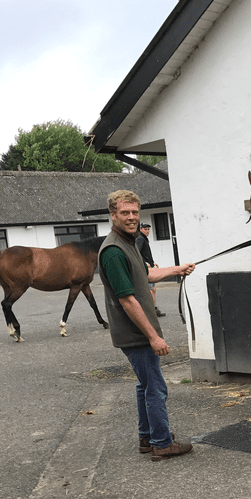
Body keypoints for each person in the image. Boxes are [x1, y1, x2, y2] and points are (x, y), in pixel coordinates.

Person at [98, 189, 196, 461]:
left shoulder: (131, 242)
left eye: (134, 212)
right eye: (124, 212)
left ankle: (147, 437)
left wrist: (177, 269)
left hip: (138, 332)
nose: (130, 217)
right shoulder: (114, 251)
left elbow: (147, 273)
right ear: (113, 215)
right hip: (136, 334)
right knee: (155, 386)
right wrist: (153, 336)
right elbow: (128, 300)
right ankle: (162, 444)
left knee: (144, 385)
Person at [136, 222, 165, 317]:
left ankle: (153, 309)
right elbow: (138, 253)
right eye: (145, 229)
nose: (147, 231)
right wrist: (146, 264)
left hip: (149, 266)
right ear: (140, 229)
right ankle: (152, 311)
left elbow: (146, 254)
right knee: (151, 289)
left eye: (148, 229)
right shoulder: (140, 239)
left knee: (152, 289)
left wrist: (152, 262)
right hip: (146, 268)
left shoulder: (144, 239)